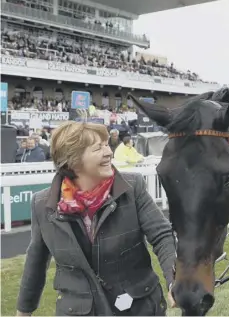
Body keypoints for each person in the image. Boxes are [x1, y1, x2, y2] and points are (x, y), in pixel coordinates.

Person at [16, 121, 176, 316]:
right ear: (72, 160)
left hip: (138, 307)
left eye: (107, 144)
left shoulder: (132, 187)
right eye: (98, 148)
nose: (109, 152)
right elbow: (36, 261)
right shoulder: (42, 204)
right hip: (78, 311)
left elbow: (161, 235)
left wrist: (173, 279)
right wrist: (23, 312)